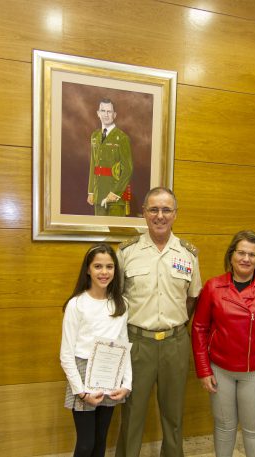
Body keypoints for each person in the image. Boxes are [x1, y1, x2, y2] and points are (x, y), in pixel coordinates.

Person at [115, 187, 202, 457]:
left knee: (174, 416)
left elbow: (192, 299)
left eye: (166, 210)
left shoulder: (188, 254)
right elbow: (115, 298)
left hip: (175, 344)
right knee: (132, 415)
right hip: (137, 344)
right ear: (144, 213)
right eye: (153, 209)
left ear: (175, 214)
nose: (160, 216)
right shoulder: (127, 252)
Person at [191, 230, 255, 457]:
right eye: (241, 253)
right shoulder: (212, 287)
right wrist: (203, 370)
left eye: (252, 255)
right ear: (231, 255)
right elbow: (199, 330)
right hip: (220, 371)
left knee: (254, 431)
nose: (246, 259)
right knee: (224, 427)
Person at [60, 243, 132, 457]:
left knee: (101, 441)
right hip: (82, 377)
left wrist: (126, 384)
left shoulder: (121, 304)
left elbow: (123, 346)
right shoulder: (76, 304)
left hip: (110, 374)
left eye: (109, 267)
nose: (104, 272)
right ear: (88, 270)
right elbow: (66, 354)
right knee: (86, 443)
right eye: (98, 266)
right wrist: (81, 391)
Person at [87, 99, 133, 216]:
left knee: (115, 232)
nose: (106, 115)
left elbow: (127, 169)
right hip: (99, 195)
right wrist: (91, 191)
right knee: (99, 232)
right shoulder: (95, 136)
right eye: (103, 111)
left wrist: (115, 192)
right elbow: (93, 165)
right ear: (98, 113)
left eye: (109, 111)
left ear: (114, 115)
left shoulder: (122, 138)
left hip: (116, 198)